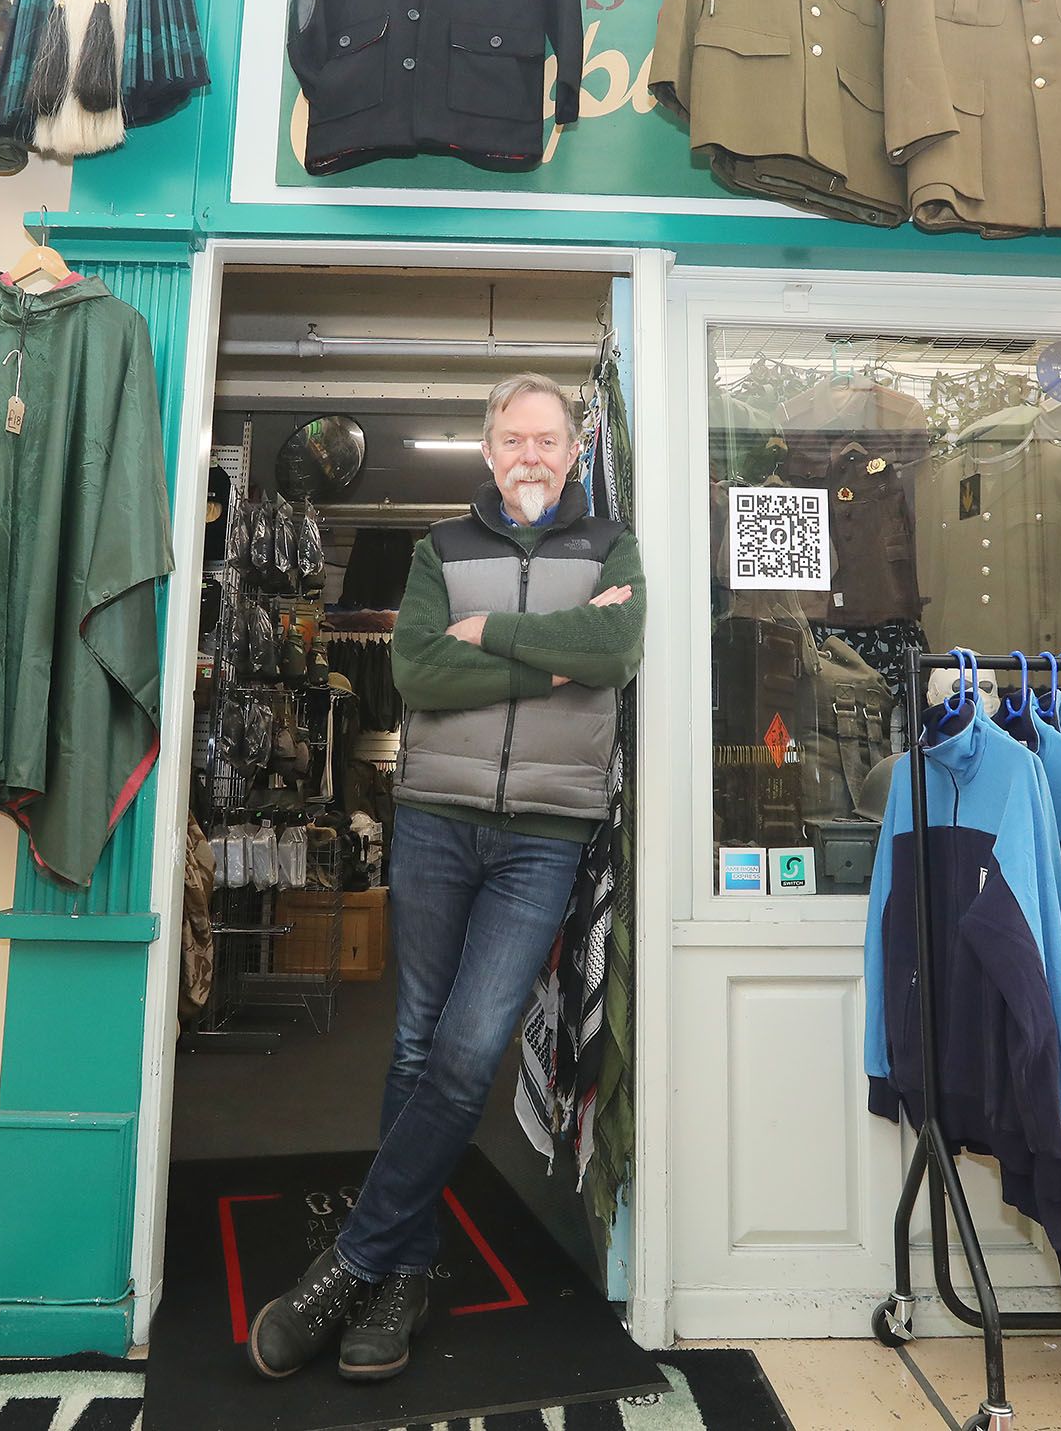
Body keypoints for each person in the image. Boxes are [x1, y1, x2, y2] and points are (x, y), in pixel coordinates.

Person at [247, 371, 647, 1384]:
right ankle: (406, 1271)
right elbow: (418, 672)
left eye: (547, 439)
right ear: (488, 449)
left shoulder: (612, 547)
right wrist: (551, 662)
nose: (530, 455)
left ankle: (351, 1261)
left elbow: (616, 649)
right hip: (433, 821)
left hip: (542, 834)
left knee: (468, 1049)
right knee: (418, 1040)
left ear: (572, 450)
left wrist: (494, 634)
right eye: (513, 438)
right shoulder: (439, 549)